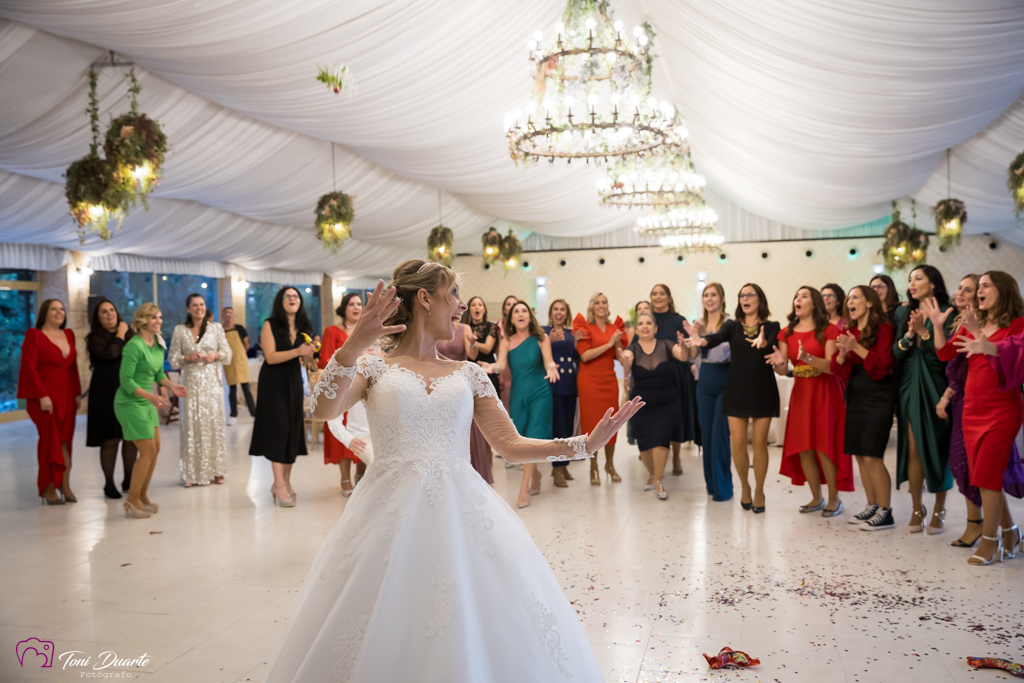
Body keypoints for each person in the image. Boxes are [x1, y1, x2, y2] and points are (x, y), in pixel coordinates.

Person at [265, 261, 642, 683]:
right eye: (455, 295)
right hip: (385, 515)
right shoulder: (373, 367)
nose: (461, 307)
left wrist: (582, 445)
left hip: (462, 512)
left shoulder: (468, 373)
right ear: (425, 298)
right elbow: (321, 411)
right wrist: (353, 346)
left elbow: (510, 445)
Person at [938, 271, 1024, 565]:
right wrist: (939, 327)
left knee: (987, 476)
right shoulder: (975, 322)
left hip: (1002, 410)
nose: (979, 292)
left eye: (985, 286)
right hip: (972, 408)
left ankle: (990, 542)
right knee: (985, 477)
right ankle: (1011, 531)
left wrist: (982, 341)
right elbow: (945, 353)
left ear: (1003, 289)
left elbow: (1018, 353)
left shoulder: (1017, 323)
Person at [685, 283, 780, 513]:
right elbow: (715, 339)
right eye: (742, 295)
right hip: (735, 389)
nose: (745, 298)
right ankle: (745, 487)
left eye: (750, 294)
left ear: (760, 299)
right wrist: (700, 340)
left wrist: (769, 347)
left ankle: (758, 491)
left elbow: (776, 353)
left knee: (759, 444)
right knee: (737, 444)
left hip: (762, 389)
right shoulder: (732, 326)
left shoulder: (771, 326)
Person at [767, 286, 851, 516]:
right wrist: (777, 362)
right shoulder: (786, 333)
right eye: (796, 296)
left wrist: (807, 358)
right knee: (803, 447)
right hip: (802, 392)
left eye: (804, 296)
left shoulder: (829, 330)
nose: (798, 299)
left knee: (824, 446)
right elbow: (784, 370)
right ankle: (816, 498)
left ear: (814, 303)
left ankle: (834, 498)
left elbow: (832, 367)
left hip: (825, 391)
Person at [892, 265, 954, 533]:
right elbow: (896, 353)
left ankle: (939, 509)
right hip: (909, 385)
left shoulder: (949, 312)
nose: (912, 282)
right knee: (913, 448)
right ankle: (917, 508)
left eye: (918, 278)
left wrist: (925, 332)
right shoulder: (902, 312)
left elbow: (948, 354)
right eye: (910, 279)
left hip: (938, 384)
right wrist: (909, 334)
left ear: (933, 284)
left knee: (938, 449)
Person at [481, 301, 560, 508]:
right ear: (511, 318)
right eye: (516, 311)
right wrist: (491, 366)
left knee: (534, 437)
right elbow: (501, 365)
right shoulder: (506, 341)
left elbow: (549, 361)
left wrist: (551, 368)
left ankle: (523, 486)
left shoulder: (541, 337)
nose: (521, 314)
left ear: (530, 315)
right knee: (522, 438)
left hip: (540, 393)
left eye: (524, 310)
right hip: (518, 395)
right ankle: (536, 475)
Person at [831, 286, 897, 530]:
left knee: (873, 454)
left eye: (855, 297)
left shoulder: (884, 328)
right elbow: (840, 369)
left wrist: (855, 347)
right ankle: (872, 505)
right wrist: (841, 354)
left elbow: (885, 363)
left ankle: (886, 511)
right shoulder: (849, 331)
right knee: (859, 453)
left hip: (879, 392)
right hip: (856, 391)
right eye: (848, 298)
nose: (850, 301)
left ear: (869, 302)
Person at [114, 303, 189, 518]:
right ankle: (131, 500)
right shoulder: (134, 346)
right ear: (143, 320)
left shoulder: (157, 344)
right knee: (146, 451)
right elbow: (125, 381)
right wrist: (151, 397)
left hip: (148, 401)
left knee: (155, 450)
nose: (159, 321)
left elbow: (157, 374)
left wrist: (171, 385)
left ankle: (142, 495)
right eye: (154, 318)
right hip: (130, 403)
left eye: (160, 317)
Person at [249, 287, 315, 507]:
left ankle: (286, 481)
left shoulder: (304, 326)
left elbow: (306, 362)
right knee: (279, 429)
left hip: (294, 380)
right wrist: (298, 352)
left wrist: (309, 354)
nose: (292, 299)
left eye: (296, 296)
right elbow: (270, 356)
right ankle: (278, 484)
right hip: (274, 381)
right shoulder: (271, 324)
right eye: (288, 296)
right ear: (280, 301)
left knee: (293, 430)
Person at [18, 299, 82, 505]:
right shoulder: (34, 335)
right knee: (50, 441)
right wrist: (41, 395)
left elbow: (72, 368)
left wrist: (77, 394)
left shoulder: (69, 334)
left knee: (66, 441)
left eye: (62, 309)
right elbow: (29, 367)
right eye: (54, 309)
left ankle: (64, 484)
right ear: (44, 313)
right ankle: (47, 488)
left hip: (66, 395)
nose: (59, 312)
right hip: (45, 397)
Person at [621, 312, 689, 500]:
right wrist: (625, 361)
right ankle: (652, 474)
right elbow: (625, 359)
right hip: (641, 405)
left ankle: (658, 480)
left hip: (667, 402)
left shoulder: (666, 344)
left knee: (660, 438)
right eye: (641, 323)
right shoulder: (633, 349)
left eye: (649, 323)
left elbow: (683, 356)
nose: (645, 326)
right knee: (644, 445)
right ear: (637, 328)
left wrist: (683, 346)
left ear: (655, 328)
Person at [169, 294, 231, 487]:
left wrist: (215, 355)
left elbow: (228, 354)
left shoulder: (216, 328)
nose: (199, 308)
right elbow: (172, 358)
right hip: (190, 385)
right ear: (188, 309)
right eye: (195, 305)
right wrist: (187, 358)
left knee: (214, 426)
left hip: (212, 385)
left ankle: (217, 470)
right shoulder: (180, 330)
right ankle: (191, 473)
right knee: (191, 427)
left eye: (202, 305)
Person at [85, 298, 138, 499]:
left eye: (112, 310)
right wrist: (121, 334)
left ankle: (129, 478)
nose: (110, 314)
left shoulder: (130, 335)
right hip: (105, 392)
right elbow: (111, 353)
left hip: (127, 389)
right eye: (104, 312)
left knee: (130, 436)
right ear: (98, 318)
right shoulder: (95, 338)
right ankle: (108, 483)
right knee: (111, 438)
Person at [575, 292, 627, 485]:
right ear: (592, 306)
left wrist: (623, 352)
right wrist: (609, 343)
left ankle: (610, 465)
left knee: (611, 423)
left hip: (609, 380)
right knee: (592, 426)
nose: (601, 305)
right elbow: (585, 356)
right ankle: (594, 466)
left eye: (604, 302)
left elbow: (618, 356)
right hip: (589, 381)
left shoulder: (615, 328)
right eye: (597, 302)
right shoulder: (585, 327)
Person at [687, 283, 732, 501]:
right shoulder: (699, 323)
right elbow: (693, 355)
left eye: (714, 295)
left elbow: (728, 355)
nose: (709, 298)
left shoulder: (730, 323)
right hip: (704, 381)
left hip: (724, 379)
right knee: (706, 435)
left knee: (720, 434)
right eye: (706, 295)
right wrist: (692, 340)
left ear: (722, 298)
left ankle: (724, 487)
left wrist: (706, 337)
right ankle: (711, 486)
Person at [436, 313, 493, 484]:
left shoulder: (464, 328)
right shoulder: (435, 326)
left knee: (466, 427)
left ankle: (473, 475)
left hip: (460, 382)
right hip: (438, 383)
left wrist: (474, 343)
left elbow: (472, 355)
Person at [649, 284, 697, 475]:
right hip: (653, 376)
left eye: (662, 293)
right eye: (654, 293)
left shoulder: (679, 320)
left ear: (669, 298)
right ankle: (656, 459)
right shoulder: (647, 320)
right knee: (655, 419)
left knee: (676, 417)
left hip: (676, 374)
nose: (658, 296)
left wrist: (684, 344)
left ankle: (676, 458)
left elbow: (689, 350)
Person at [320, 292, 365, 495]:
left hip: (363, 387)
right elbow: (325, 361)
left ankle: (361, 476)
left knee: (364, 431)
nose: (356, 307)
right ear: (344, 308)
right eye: (351, 304)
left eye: (359, 304)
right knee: (343, 431)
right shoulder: (332, 331)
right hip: (340, 388)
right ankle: (345, 478)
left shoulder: (367, 331)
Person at [544, 299, 583, 488]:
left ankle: (564, 464)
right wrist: (548, 341)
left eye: (562, 310)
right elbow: (539, 353)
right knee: (558, 428)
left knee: (567, 428)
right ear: (551, 312)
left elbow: (577, 356)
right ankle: (556, 468)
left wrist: (578, 342)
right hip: (554, 383)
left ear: (567, 313)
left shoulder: (572, 333)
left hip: (571, 383)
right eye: (556, 309)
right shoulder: (544, 332)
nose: (559, 313)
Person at [222, 306, 256, 424]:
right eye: (227, 313)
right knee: (232, 389)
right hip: (228, 362)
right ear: (223, 315)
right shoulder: (220, 330)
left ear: (233, 315)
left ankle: (254, 414)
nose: (229, 315)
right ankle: (233, 415)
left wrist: (240, 355)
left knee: (246, 388)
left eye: (231, 313)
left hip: (241, 360)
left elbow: (246, 344)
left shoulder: (240, 328)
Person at [462, 296, 501, 393]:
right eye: (473, 305)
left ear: (484, 310)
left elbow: (488, 348)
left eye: (480, 305)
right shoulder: (464, 327)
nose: (477, 307)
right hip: (469, 369)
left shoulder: (491, 326)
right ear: (469, 309)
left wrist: (473, 343)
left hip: (487, 370)